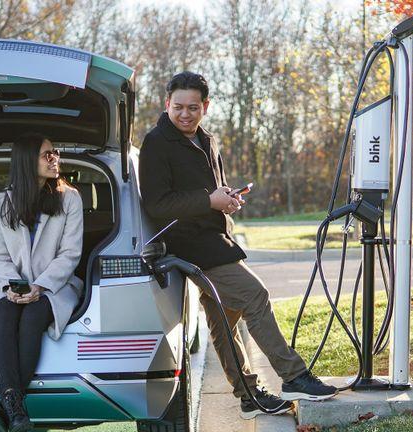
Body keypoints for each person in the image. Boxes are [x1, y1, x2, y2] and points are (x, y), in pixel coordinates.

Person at [138, 72, 337, 420]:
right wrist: (207, 201)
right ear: (166, 103)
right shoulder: (156, 143)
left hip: (218, 237)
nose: (185, 114)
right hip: (189, 245)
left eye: (193, 107)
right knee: (254, 295)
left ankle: (248, 396)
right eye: (178, 107)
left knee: (223, 317)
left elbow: (211, 190)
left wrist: (226, 199)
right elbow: (157, 204)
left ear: (206, 106)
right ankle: (293, 376)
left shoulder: (207, 140)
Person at [0, 133, 83, 432]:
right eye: (47, 154)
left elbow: (70, 254)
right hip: (11, 284)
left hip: (55, 286)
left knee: (33, 316)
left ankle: (7, 408)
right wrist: (12, 286)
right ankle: (15, 410)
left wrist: (40, 286)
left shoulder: (69, 198)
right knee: (5, 313)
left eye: (55, 153)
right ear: (26, 160)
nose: (55, 159)